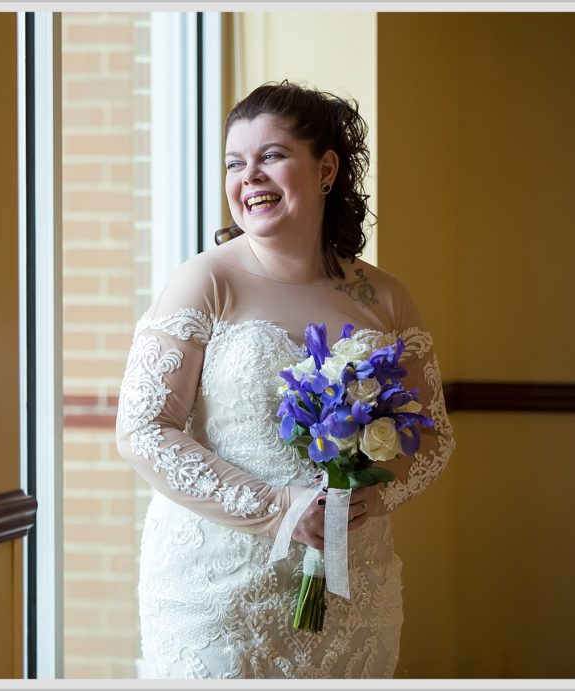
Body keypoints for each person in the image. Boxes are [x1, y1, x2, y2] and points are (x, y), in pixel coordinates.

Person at [114, 81, 456, 679]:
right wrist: (278, 506)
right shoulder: (204, 282)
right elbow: (143, 430)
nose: (249, 176)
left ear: (325, 169)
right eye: (234, 163)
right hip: (219, 594)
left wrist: (373, 496)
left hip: (355, 588)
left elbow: (431, 439)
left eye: (270, 155)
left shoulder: (384, 297)